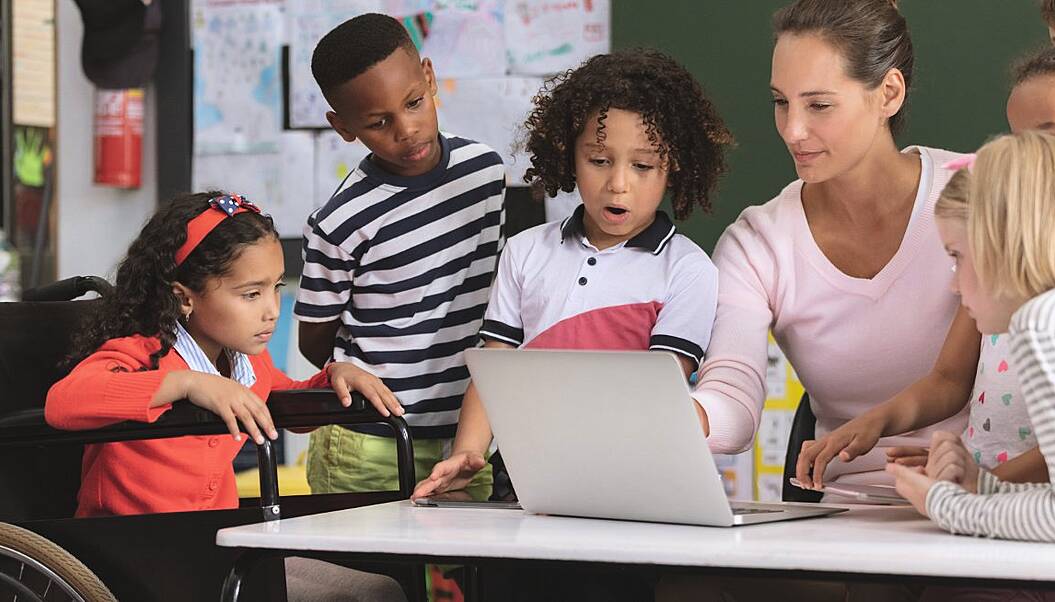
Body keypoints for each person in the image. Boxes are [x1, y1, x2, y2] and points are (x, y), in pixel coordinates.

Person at [46, 192, 407, 601]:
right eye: (251, 295)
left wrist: (333, 379)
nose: (272, 310)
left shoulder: (245, 361)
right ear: (185, 298)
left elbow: (283, 404)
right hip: (130, 549)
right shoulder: (143, 351)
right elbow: (65, 402)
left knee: (379, 590)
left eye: (274, 288)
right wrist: (187, 383)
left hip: (214, 542)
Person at [410, 49, 731, 500]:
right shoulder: (524, 253)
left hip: (632, 484)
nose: (618, 183)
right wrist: (467, 452)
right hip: (523, 478)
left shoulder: (687, 269)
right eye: (599, 160)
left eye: (642, 166)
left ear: (673, 168)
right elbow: (493, 370)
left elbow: (657, 394)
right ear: (569, 156)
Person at [692, 0, 968, 494]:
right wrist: (682, 418)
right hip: (841, 515)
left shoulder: (982, 191)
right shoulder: (758, 242)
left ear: (888, 93)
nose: (793, 130)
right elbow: (732, 394)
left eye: (819, 105)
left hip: (988, 500)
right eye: (781, 102)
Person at [295, 13, 506, 497]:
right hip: (367, 443)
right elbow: (315, 343)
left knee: (468, 572)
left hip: (466, 436)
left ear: (429, 79)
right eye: (378, 122)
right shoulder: (341, 220)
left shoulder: (485, 174)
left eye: (414, 103)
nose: (406, 129)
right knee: (368, 575)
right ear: (343, 127)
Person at [889, 131, 1055, 547]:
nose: (953, 285)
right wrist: (984, 488)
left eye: (956, 256)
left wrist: (947, 505)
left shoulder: (1045, 324)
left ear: (1001, 244)